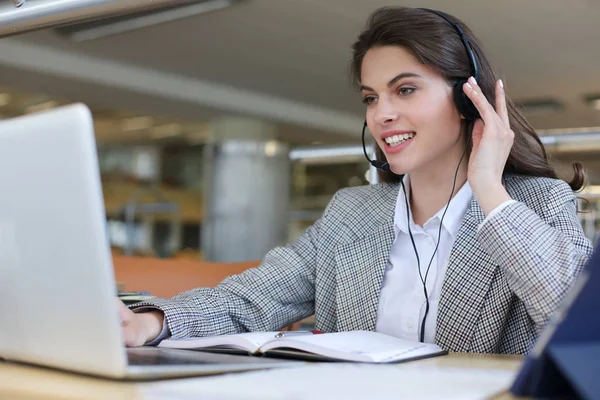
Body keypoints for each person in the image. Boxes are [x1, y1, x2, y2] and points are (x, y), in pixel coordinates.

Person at [118, 7, 593, 354]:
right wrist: (152, 322)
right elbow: (250, 301)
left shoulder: (535, 205)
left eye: (405, 89)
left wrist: (489, 188)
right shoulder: (351, 212)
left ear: (468, 99)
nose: (382, 114)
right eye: (371, 97)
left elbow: (580, 327)